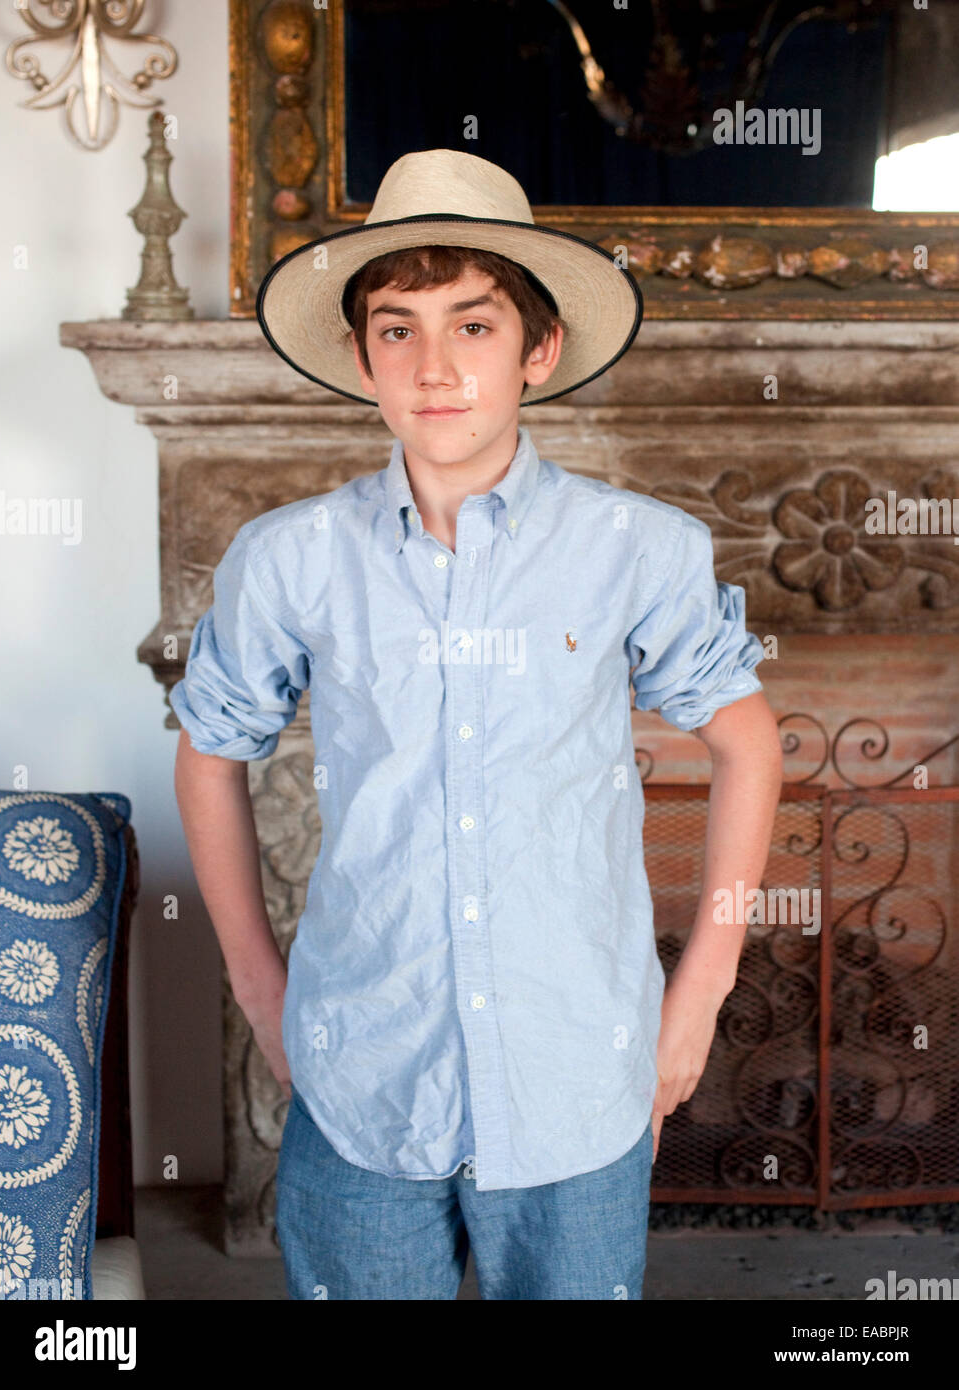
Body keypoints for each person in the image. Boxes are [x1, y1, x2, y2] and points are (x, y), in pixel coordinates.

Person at [171, 148, 783, 1301]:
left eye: (474, 324)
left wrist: (693, 1000)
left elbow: (747, 743)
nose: (434, 366)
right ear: (360, 356)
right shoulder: (289, 559)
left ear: (537, 348)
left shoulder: (636, 550)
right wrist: (262, 989)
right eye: (396, 328)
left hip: (574, 1080)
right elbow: (209, 750)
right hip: (362, 1075)